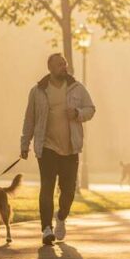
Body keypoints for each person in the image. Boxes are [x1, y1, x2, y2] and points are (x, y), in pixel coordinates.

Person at [20, 53, 96, 246]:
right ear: (50, 68)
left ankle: (61, 217)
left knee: (68, 191)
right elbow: (29, 119)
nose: (64, 66)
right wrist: (25, 144)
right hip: (47, 147)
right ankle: (46, 229)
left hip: (71, 148)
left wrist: (78, 113)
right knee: (47, 188)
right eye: (60, 64)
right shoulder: (37, 91)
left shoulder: (77, 88)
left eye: (65, 63)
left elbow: (91, 109)